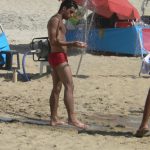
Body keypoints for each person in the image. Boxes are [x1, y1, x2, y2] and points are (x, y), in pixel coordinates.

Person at [47, 0, 88, 129]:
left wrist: (72, 45)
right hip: (58, 57)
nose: (71, 15)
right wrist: (73, 44)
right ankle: (72, 119)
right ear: (63, 8)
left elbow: (59, 39)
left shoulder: (60, 21)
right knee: (69, 86)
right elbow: (53, 41)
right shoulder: (54, 20)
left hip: (58, 56)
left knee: (57, 88)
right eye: (70, 12)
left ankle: (54, 119)